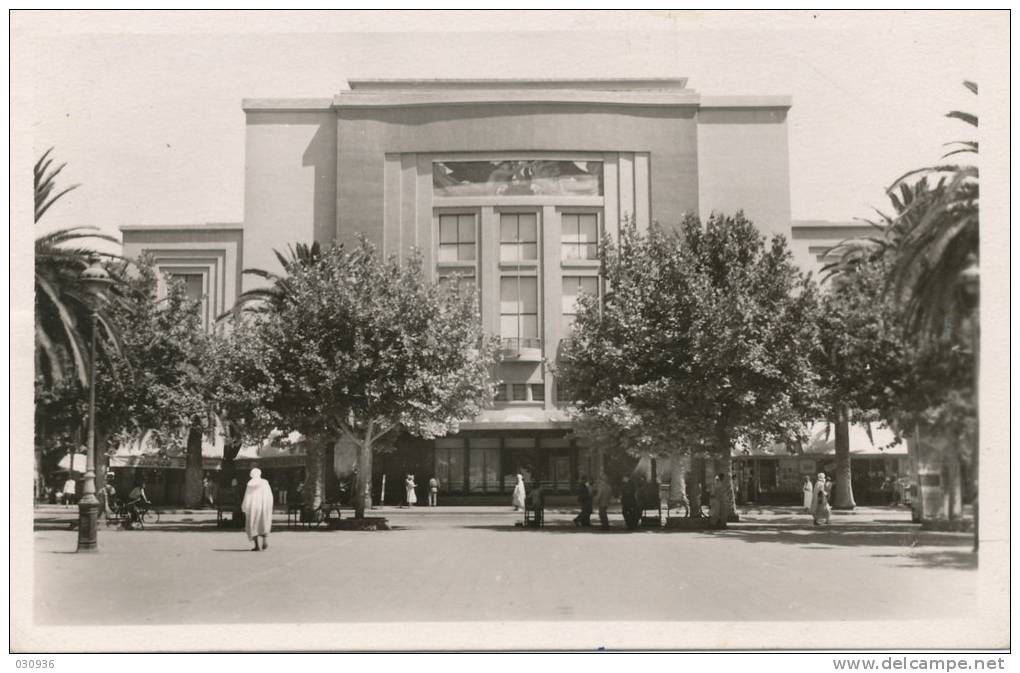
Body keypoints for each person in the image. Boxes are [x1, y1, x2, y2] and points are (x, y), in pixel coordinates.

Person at [241, 467, 274, 551]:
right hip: (264, 505)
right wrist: (269, 505)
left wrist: (245, 506)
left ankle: (257, 546)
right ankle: (265, 541)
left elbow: (247, 496)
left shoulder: (250, 484)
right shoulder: (265, 482)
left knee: (253, 524)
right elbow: (269, 495)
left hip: (253, 507)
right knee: (264, 522)